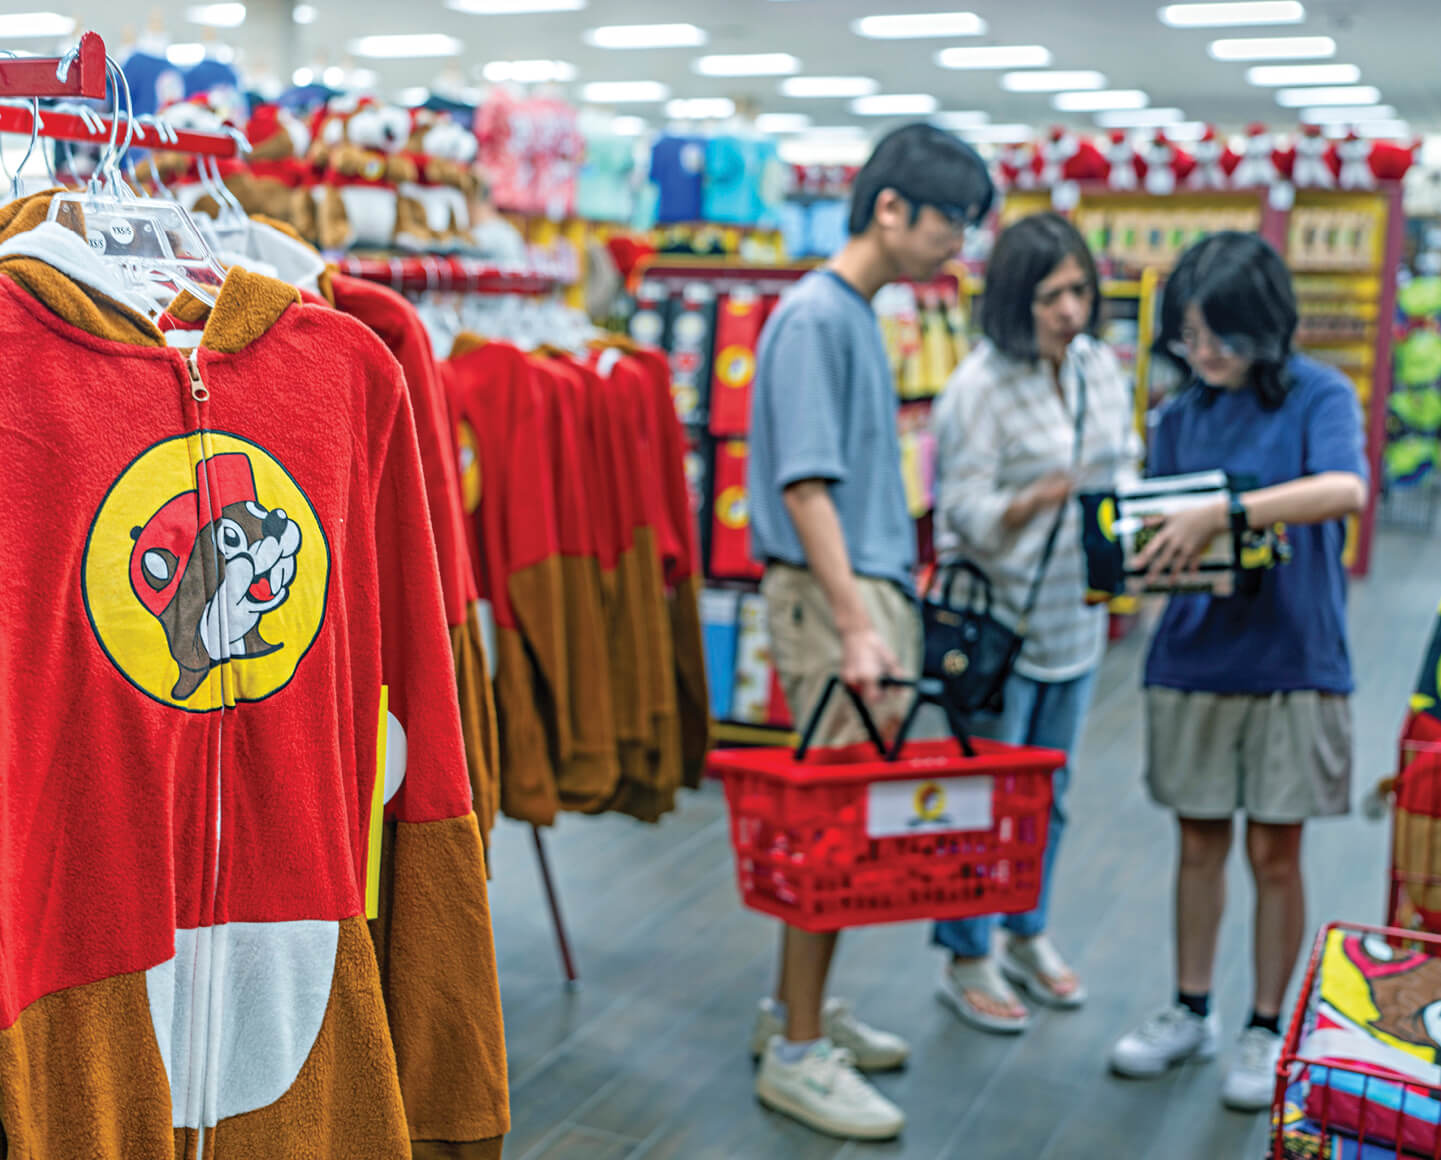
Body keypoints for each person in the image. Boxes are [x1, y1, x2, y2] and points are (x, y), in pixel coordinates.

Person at [745, 122, 994, 1140]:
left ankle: (792, 1014)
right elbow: (805, 485)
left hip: (856, 589)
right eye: (950, 223)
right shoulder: (814, 317)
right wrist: (857, 623)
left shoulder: (848, 312)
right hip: (830, 597)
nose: (958, 247)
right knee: (831, 829)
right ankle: (799, 1049)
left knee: (844, 820)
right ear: (890, 208)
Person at [1107, 232, 1367, 1111]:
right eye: (1187, 334)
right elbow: (1151, 521)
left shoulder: (1317, 394)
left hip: (1294, 655)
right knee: (1199, 839)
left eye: (1218, 333)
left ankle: (1265, 1025)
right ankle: (1188, 1009)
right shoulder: (1179, 415)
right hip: (1194, 654)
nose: (1203, 352)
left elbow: (1342, 489)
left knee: (1276, 849)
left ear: (1264, 326)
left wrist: (1225, 511)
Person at [928, 213, 1139, 1034]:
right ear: (1015, 299)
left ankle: (1025, 928)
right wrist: (1031, 499)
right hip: (998, 629)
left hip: (1074, 622)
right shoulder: (977, 387)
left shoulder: (1095, 369)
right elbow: (962, 513)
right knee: (986, 796)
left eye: (1079, 290)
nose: (1069, 310)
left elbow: (1121, 464)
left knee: (1050, 794)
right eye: (1050, 295)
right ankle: (965, 950)